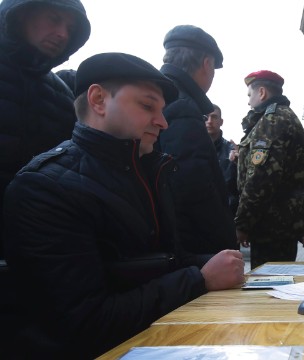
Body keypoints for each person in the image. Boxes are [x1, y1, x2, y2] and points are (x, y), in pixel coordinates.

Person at [2, 53, 246, 359]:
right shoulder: (45, 188)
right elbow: (85, 322)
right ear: (99, 100)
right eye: (147, 106)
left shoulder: (147, 171)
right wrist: (199, 278)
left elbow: (165, 260)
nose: (163, 122)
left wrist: (217, 261)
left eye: (162, 110)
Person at [0, 0, 90, 259]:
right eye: (53, 19)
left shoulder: (62, 96)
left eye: (70, 29)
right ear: (20, 15)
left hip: (34, 248)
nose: (63, 33)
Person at [157, 25, 237, 255]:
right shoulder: (182, 106)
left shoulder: (162, 96)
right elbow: (193, 188)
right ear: (207, 64)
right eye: (213, 70)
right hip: (194, 250)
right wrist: (223, 248)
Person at [237, 70, 304, 268]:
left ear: (261, 92)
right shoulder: (285, 117)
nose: (248, 102)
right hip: (282, 224)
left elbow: (260, 179)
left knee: (267, 287)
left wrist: (243, 223)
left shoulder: (271, 121)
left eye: (249, 95)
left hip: (272, 225)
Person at [205, 104, 239, 215]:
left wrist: (241, 162)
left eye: (214, 117)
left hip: (226, 214)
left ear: (221, 122)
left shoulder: (232, 150)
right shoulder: (193, 148)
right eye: (206, 117)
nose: (209, 121)